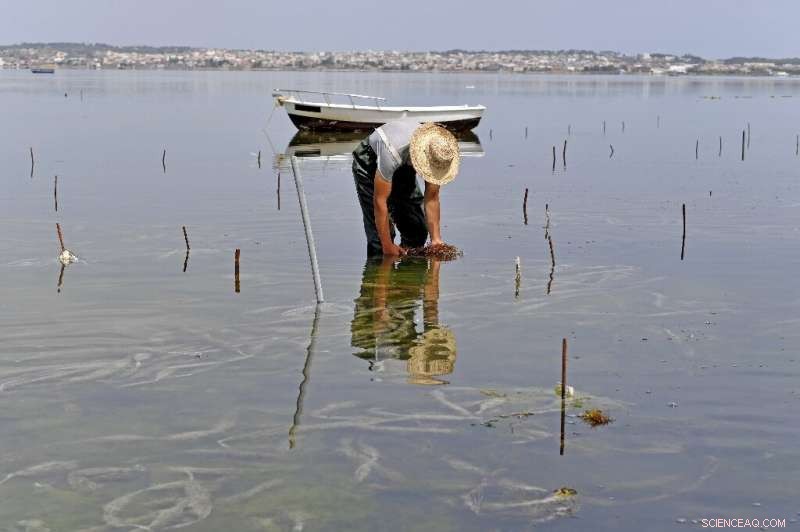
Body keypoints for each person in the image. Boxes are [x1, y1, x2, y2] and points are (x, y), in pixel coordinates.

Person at [352, 120, 460, 257]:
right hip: (370, 161)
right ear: (419, 159)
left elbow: (432, 198)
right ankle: (380, 273)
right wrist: (387, 246)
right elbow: (380, 201)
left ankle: (407, 275)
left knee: (417, 230)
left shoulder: (438, 152)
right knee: (380, 243)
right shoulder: (392, 152)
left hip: (405, 163)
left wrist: (436, 240)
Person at [351, 256, 457, 385]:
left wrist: (434, 271)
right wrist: (380, 308)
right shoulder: (389, 354)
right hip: (375, 333)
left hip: (395, 348)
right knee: (380, 256)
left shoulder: (407, 356)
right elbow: (379, 316)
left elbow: (431, 312)